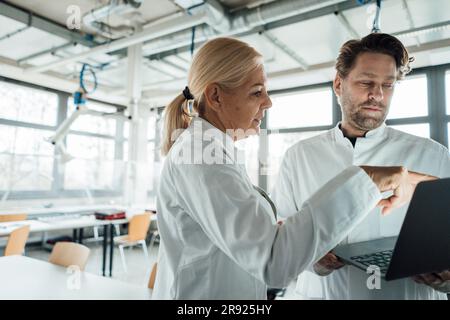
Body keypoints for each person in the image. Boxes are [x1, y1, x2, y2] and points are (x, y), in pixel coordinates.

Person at [152, 37, 429, 300]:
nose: (268, 102)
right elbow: (273, 261)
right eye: (257, 92)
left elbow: (255, 241)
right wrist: (368, 179)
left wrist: (287, 235)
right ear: (215, 96)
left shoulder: (209, 151)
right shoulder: (200, 155)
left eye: (388, 84)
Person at [272, 33, 450, 299]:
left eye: (388, 85)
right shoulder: (299, 157)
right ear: (338, 84)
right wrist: (312, 260)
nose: (377, 95)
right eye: (366, 82)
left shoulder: (433, 155)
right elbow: (278, 242)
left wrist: (447, 280)